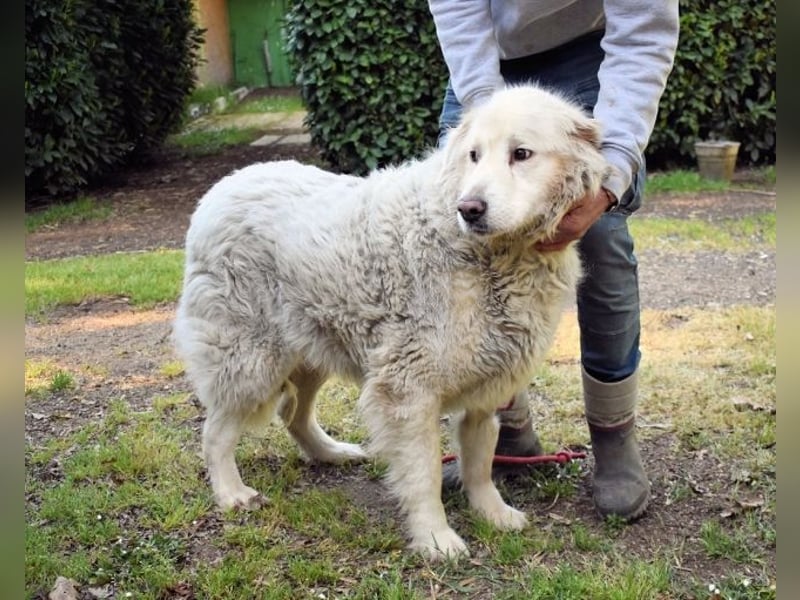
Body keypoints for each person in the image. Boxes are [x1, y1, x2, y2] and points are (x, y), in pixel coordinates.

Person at [428, 0, 680, 520]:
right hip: (484, 61)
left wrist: (610, 179)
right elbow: (458, 10)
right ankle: (505, 429)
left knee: (602, 240)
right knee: (467, 244)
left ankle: (614, 440)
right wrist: (487, 118)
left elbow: (643, 31)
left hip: (583, 55)